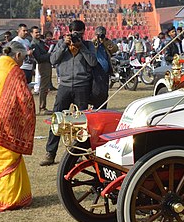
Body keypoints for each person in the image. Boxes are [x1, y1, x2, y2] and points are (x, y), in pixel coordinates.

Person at [0, 40, 36, 211]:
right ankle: (8, 198)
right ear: (17, 55)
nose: (23, 61)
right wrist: (27, 117)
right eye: (23, 58)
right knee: (9, 159)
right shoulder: (14, 71)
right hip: (4, 123)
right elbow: (24, 99)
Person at [40, 19, 97, 166]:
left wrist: (82, 47)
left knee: (81, 123)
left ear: (84, 33)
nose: (77, 36)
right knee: (57, 121)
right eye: (74, 34)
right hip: (64, 86)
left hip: (82, 85)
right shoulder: (61, 43)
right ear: (69, 32)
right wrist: (64, 46)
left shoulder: (89, 45)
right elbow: (52, 60)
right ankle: (50, 153)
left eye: (80, 34)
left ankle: (79, 153)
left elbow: (93, 62)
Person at [90, 25, 119, 109]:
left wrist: (106, 42)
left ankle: (103, 108)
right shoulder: (92, 43)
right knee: (96, 92)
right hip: (95, 72)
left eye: (103, 34)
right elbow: (90, 49)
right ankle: (95, 107)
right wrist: (96, 41)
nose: (101, 37)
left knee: (104, 93)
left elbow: (115, 49)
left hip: (105, 72)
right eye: (99, 35)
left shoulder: (106, 43)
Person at [31, 26, 53, 113]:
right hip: (42, 65)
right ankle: (42, 107)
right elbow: (39, 58)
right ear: (31, 34)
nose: (38, 34)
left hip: (47, 64)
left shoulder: (41, 42)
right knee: (43, 87)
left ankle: (43, 106)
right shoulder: (34, 44)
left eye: (39, 32)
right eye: (36, 32)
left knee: (46, 87)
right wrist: (49, 54)